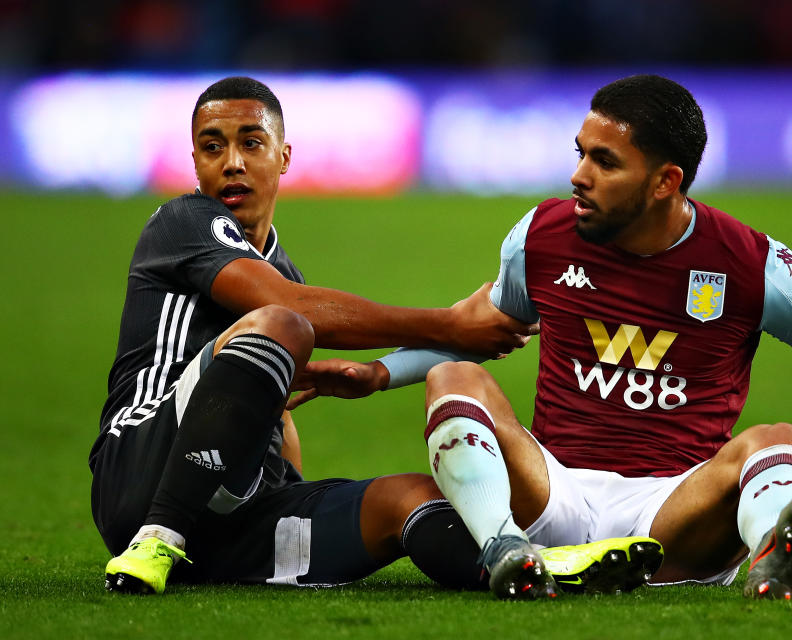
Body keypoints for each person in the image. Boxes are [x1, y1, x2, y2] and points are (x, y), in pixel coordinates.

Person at [296, 75, 792, 600]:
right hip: (551, 493)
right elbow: (477, 335)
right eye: (580, 154)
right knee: (453, 378)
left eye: (605, 163)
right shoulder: (539, 237)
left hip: (674, 513)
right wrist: (379, 373)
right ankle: (505, 550)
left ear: (665, 182)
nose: (579, 176)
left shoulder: (753, 266)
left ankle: (776, 549)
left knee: (775, 438)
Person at [90, 76, 539, 594]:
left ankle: (525, 563)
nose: (231, 162)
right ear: (195, 162)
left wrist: (296, 500)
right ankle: (158, 537)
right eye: (213, 147)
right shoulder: (182, 221)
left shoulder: (281, 271)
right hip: (137, 482)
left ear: (283, 157)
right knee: (283, 321)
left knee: (411, 499)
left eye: (250, 143)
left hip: (228, 526)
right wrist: (451, 325)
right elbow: (287, 311)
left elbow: (274, 412)